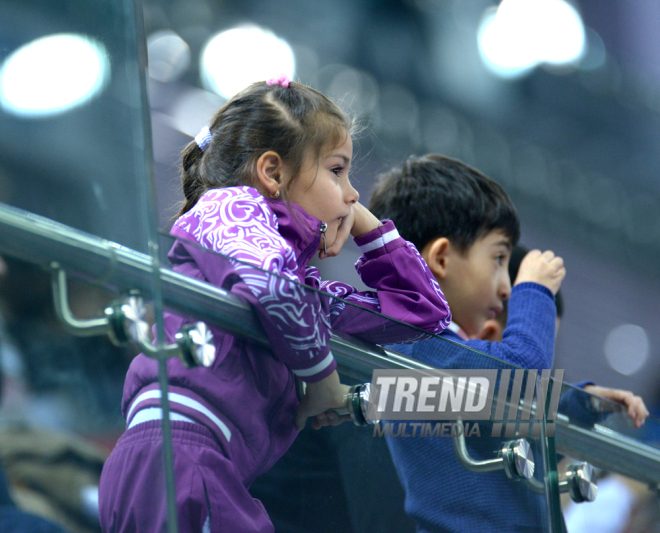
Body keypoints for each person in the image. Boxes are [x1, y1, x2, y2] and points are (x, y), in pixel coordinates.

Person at [98, 79, 452, 533]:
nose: (351, 193)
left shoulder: (302, 290)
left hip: (210, 466)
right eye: (337, 171)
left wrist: (369, 228)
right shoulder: (226, 209)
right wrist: (323, 380)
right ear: (272, 172)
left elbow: (424, 314)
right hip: (176, 454)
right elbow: (271, 288)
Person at [369, 154, 648, 533]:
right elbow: (521, 371)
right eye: (499, 258)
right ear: (441, 259)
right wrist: (532, 289)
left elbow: (510, 407)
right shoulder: (419, 349)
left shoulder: (432, 353)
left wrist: (581, 403)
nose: (505, 285)